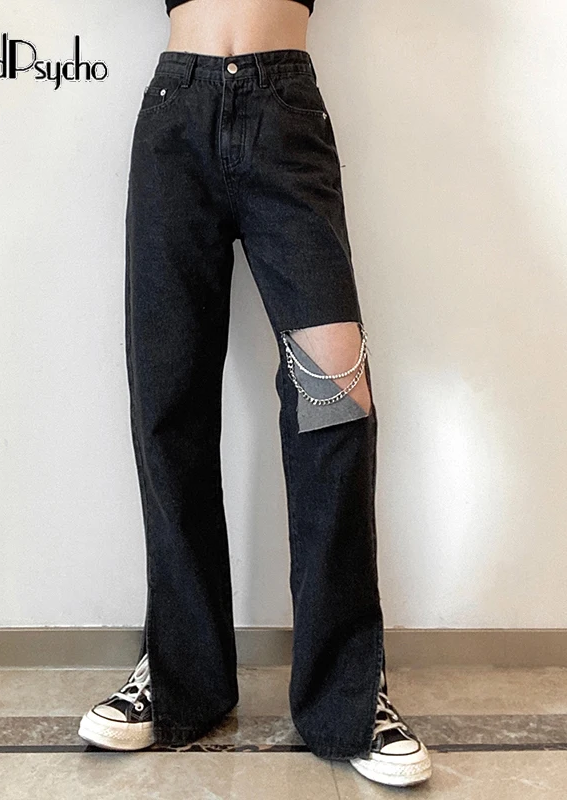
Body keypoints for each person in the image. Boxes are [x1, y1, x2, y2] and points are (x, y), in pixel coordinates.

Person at [78, 0, 432, 788]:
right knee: (168, 402)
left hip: (286, 114)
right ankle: (179, 677)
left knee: (335, 403)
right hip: (175, 115)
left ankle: (348, 698)